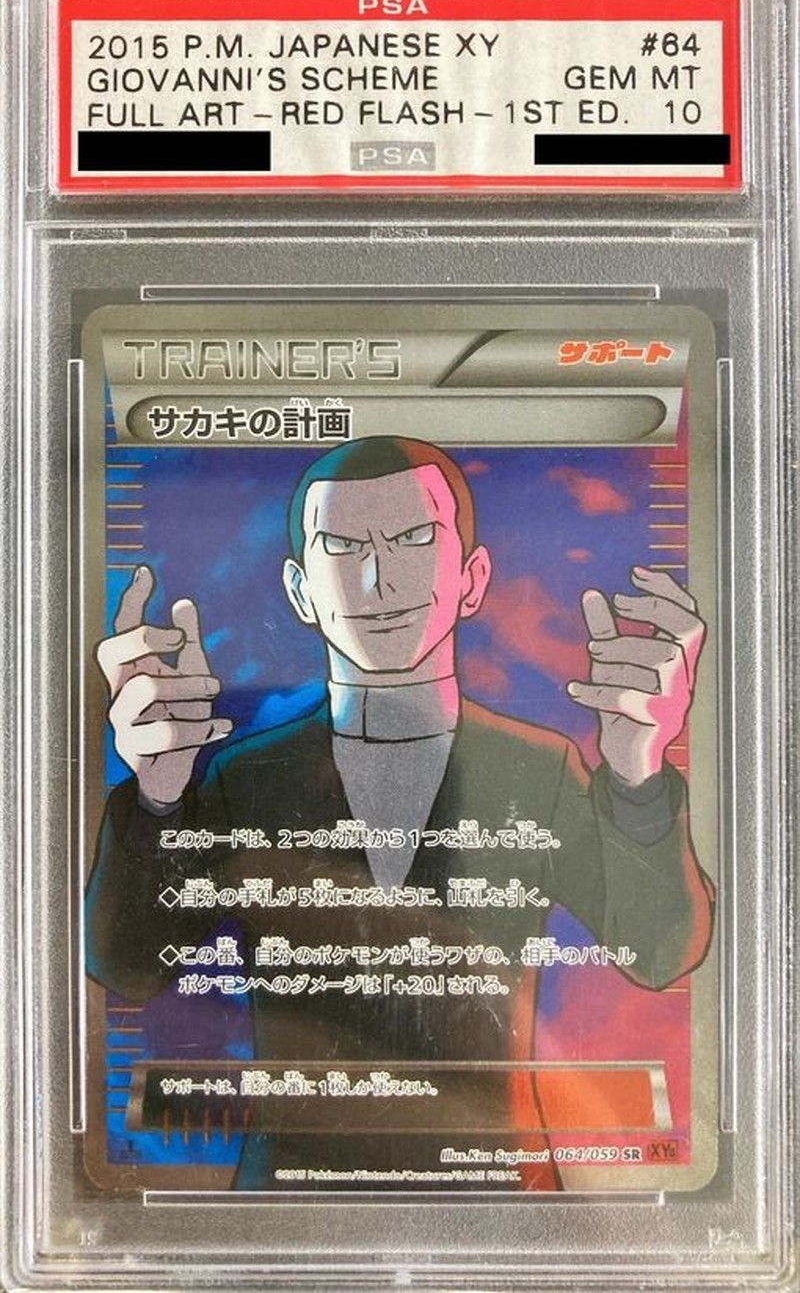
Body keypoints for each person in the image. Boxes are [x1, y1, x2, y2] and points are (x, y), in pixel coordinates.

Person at [86, 436, 713, 1190]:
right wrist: (157, 794)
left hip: (498, 1198)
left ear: (471, 579)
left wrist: (639, 771)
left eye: (415, 539)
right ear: (300, 591)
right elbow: (126, 967)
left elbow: (659, 952)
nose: (378, 579)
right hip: (291, 1205)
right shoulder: (242, 777)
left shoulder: (539, 769)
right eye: (342, 547)